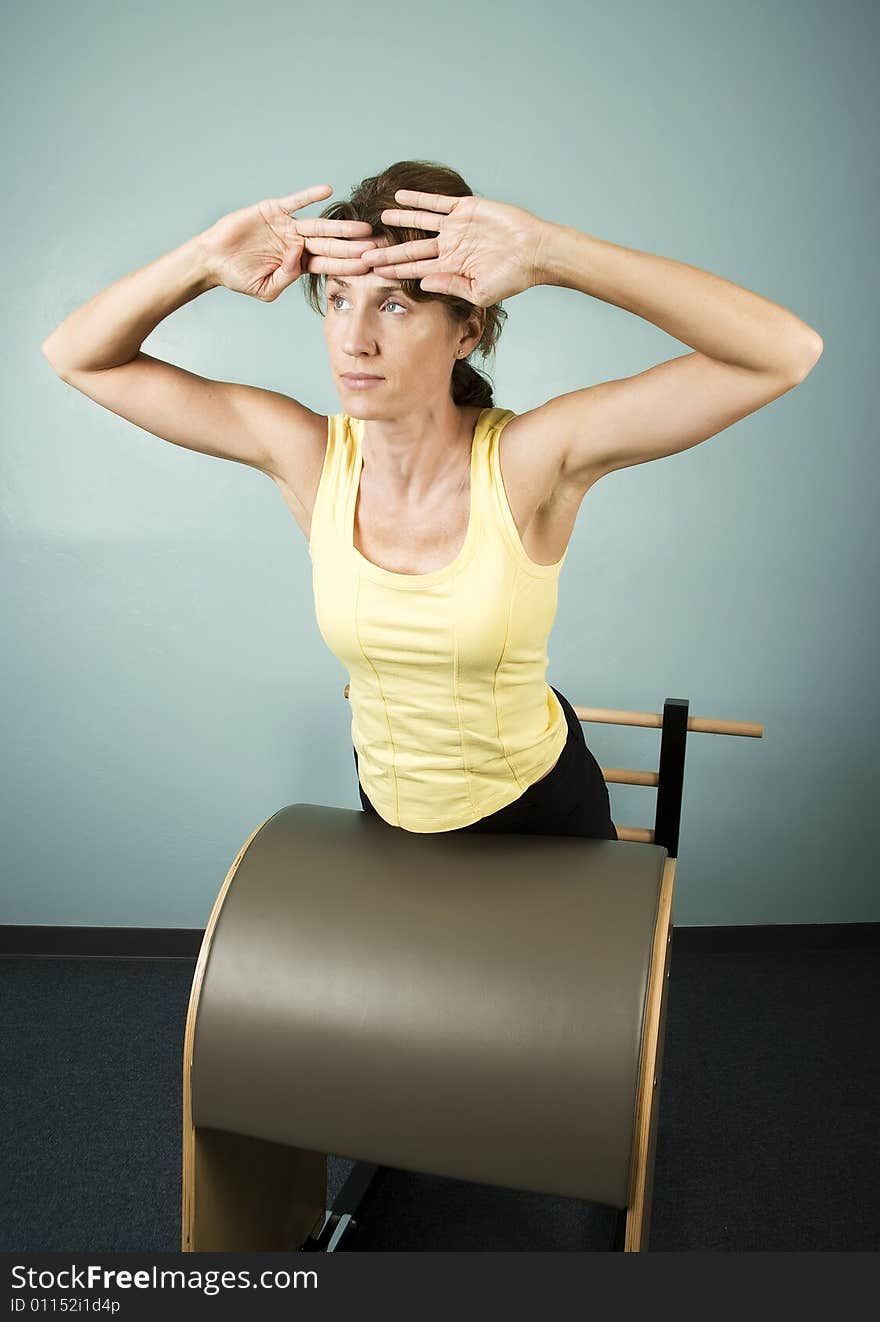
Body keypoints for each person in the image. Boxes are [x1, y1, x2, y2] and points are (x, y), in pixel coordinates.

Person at [45, 159, 819, 840]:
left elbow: (781, 354)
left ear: (465, 332)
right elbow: (79, 356)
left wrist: (554, 254)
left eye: (393, 305)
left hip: (537, 814)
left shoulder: (527, 460)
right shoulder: (306, 454)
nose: (353, 340)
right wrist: (202, 260)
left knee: (538, 1012)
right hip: (390, 810)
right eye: (340, 300)